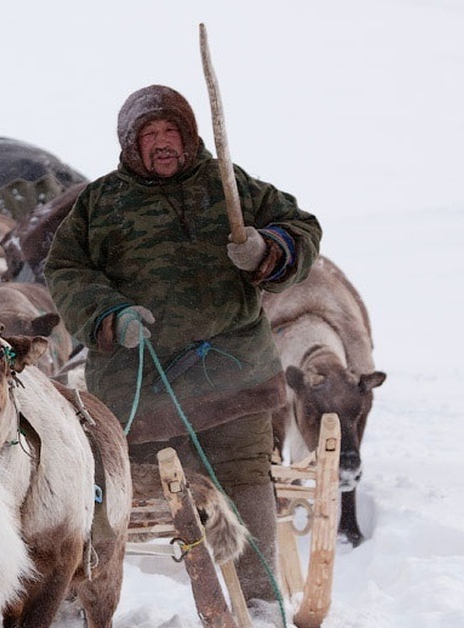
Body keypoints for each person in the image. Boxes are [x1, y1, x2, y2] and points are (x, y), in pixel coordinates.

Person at [44, 84, 322, 617]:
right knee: (122, 492)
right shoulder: (99, 203)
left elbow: (303, 228)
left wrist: (270, 248)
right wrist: (109, 314)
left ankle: (260, 606)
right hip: (140, 386)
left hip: (234, 373)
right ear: (130, 146)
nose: (163, 143)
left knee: (244, 478)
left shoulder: (230, 185)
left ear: (191, 136)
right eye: (149, 135)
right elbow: (65, 270)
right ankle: (84, 596)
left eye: (172, 131)